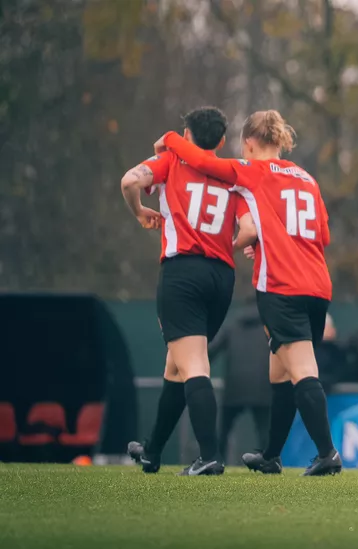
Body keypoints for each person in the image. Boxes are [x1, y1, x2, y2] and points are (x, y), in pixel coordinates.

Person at [157, 110, 341, 477]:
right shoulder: (306, 178)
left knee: (302, 370)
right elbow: (323, 235)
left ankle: (327, 453)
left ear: (250, 143)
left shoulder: (253, 171)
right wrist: (268, 239)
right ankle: (271, 455)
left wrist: (173, 139)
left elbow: (201, 162)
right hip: (318, 286)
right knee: (281, 373)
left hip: (282, 286)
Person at [122, 106, 251, 476]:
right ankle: (152, 451)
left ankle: (209, 455)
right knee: (176, 366)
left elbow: (129, 182)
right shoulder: (233, 174)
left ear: (187, 135)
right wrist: (224, 245)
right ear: (222, 141)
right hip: (221, 276)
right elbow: (249, 229)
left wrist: (140, 212)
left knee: (193, 365)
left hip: (183, 272)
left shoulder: (171, 161)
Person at [208, 295, 273, 462]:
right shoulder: (269, 327)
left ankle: (214, 461)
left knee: (224, 430)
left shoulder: (231, 325)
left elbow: (210, 352)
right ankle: (268, 461)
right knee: (264, 431)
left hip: (234, 386)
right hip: (262, 387)